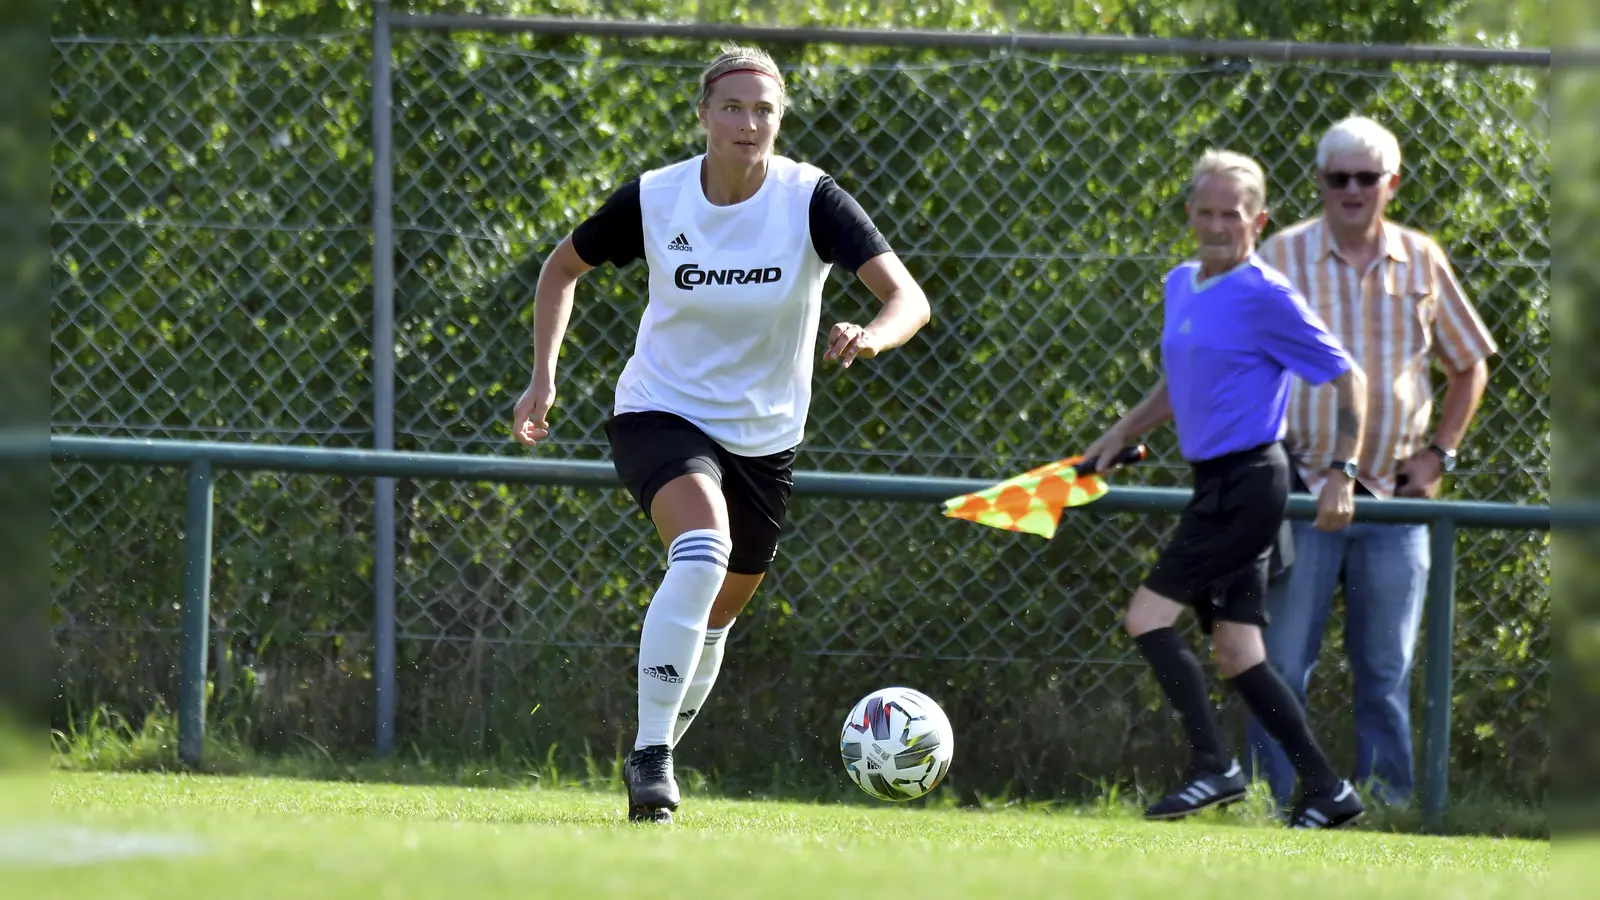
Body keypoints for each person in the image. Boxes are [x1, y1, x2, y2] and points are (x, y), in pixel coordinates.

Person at [510, 45, 931, 824]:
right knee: (699, 551)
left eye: (763, 109)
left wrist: (870, 336)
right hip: (660, 412)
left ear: (780, 120)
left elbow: (908, 299)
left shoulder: (812, 200)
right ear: (703, 114)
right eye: (732, 107)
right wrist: (544, 375)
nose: (748, 122)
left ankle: (658, 745)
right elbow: (560, 270)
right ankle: (651, 760)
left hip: (765, 438)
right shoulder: (657, 198)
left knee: (716, 616)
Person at [1082, 148, 1369, 829]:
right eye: (1205, 212)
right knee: (1239, 653)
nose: (1217, 226)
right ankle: (1329, 791)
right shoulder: (1182, 282)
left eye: (1231, 215)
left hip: (1250, 483)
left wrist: (1342, 472)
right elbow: (1178, 384)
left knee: (1145, 617)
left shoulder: (1267, 294)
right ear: (1190, 215)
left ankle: (1214, 768)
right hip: (1214, 480)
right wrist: (1118, 434)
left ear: (1258, 221)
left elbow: (1346, 377)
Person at [1245, 115, 1497, 809]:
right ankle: (1269, 802)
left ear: (1393, 182)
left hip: (1393, 500)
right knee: (1280, 664)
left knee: (1385, 670)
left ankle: (1386, 805)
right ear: (1320, 184)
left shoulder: (1422, 260)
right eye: (1337, 178)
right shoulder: (1280, 258)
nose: (1352, 190)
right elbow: (1242, 361)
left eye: (1366, 177)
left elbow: (1469, 364)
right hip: (1299, 491)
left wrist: (1439, 453)